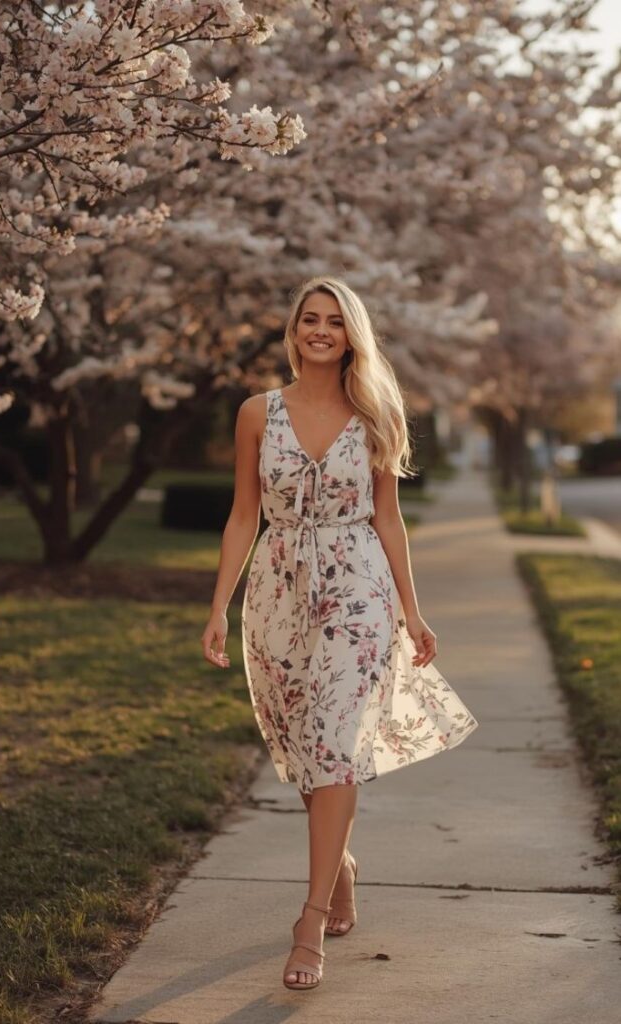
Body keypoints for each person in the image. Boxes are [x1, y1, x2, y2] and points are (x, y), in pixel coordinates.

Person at [201, 275, 478, 992]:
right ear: (293, 333)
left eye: (333, 321)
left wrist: (411, 613)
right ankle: (343, 866)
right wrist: (219, 608)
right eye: (308, 320)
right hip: (277, 589)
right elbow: (242, 516)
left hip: (357, 588)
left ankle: (311, 915)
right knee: (303, 747)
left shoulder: (376, 412)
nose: (319, 330)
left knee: (334, 743)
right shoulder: (257, 414)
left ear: (352, 332)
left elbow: (388, 517)